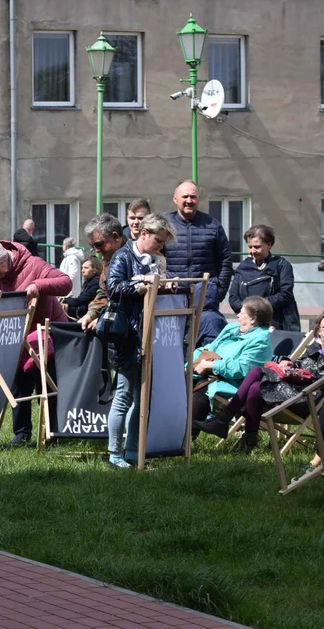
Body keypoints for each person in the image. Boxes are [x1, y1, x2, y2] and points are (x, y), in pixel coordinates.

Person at [0, 238, 71, 445]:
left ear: (5, 258)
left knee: (46, 385)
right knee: (18, 386)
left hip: (45, 336)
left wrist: (39, 284)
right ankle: (22, 433)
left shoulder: (34, 265)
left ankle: (53, 433)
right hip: (15, 338)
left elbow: (66, 283)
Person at [104, 213, 175, 468]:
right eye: (157, 240)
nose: (160, 246)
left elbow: (155, 285)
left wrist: (167, 285)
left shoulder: (156, 259)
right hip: (126, 337)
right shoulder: (123, 256)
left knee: (139, 397)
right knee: (124, 395)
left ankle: (133, 451)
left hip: (148, 335)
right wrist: (141, 284)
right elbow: (112, 288)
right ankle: (114, 454)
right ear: (143, 233)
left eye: (163, 242)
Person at [196, 311, 324, 453]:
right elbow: (301, 366)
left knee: (257, 371)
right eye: (321, 328)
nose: (323, 332)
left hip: (307, 398)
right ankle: (249, 443)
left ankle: (225, 417)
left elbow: (317, 378)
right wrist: (289, 365)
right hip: (292, 389)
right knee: (255, 388)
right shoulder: (315, 348)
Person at [165, 181, 232, 346]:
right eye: (185, 196)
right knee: (174, 344)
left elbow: (225, 259)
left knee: (205, 345)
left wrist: (218, 290)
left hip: (205, 298)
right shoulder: (164, 224)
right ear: (175, 199)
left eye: (193, 197)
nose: (189, 200)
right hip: (172, 297)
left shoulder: (212, 225)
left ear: (198, 199)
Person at [191, 295, 273, 428]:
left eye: (242, 313)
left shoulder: (260, 341)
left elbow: (241, 367)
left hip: (234, 384)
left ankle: (188, 436)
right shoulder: (232, 329)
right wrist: (189, 364)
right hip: (209, 373)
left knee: (202, 386)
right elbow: (210, 348)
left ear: (253, 319)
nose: (238, 316)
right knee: (178, 381)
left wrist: (210, 364)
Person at [228, 225, 300, 332]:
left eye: (257, 247)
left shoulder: (282, 265)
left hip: (276, 324)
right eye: (250, 247)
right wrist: (247, 312)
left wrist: (259, 308)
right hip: (249, 325)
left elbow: (286, 294)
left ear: (269, 245)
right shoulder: (243, 267)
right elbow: (233, 297)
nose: (253, 251)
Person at [64, 256, 101, 320]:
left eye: (86, 268)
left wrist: (65, 300)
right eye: (82, 268)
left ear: (94, 270)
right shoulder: (89, 282)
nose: (82, 270)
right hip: (83, 311)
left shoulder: (96, 283)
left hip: (88, 314)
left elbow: (81, 300)